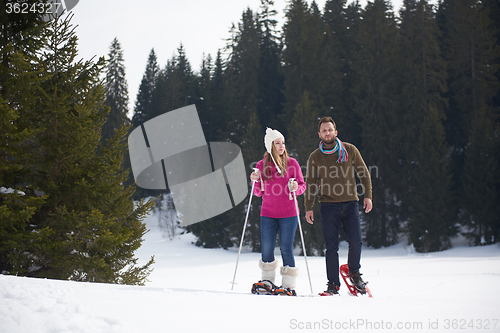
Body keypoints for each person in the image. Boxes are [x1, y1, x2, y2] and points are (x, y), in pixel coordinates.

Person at [304, 117, 373, 296]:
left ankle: (355, 273)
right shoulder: (315, 157)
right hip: (328, 206)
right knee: (331, 247)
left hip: (350, 203)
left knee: (356, 241)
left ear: (336, 131)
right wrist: (308, 207)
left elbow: (364, 173)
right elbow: (310, 183)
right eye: (324, 131)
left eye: (330, 129)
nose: (328, 133)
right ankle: (333, 284)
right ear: (320, 135)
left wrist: (368, 196)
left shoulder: (349, 150)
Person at [249, 127, 306, 296]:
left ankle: (289, 284)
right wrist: (255, 181)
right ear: (270, 146)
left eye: (283, 143)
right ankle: (267, 280)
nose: (282, 146)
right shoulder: (261, 165)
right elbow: (258, 193)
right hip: (268, 213)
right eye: (277, 143)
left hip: (289, 213)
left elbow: (302, 186)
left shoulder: (292, 164)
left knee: (286, 248)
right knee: (267, 248)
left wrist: (296, 187)